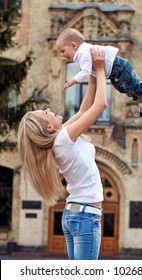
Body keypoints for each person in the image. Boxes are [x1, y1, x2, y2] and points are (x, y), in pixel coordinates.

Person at [17, 49, 107, 260]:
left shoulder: (59, 140)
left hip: (75, 214)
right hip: (85, 216)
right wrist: (101, 70)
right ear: (49, 128)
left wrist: (92, 73)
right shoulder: (63, 139)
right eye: (46, 114)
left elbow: (84, 109)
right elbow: (100, 105)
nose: (49, 109)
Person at [56, 28, 142, 117]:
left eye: (63, 51)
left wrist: (72, 81)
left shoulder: (82, 53)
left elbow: (86, 73)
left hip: (119, 67)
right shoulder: (80, 54)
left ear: (74, 45)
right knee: (123, 89)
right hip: (113, 72)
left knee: (133, 87)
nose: (62, 55)